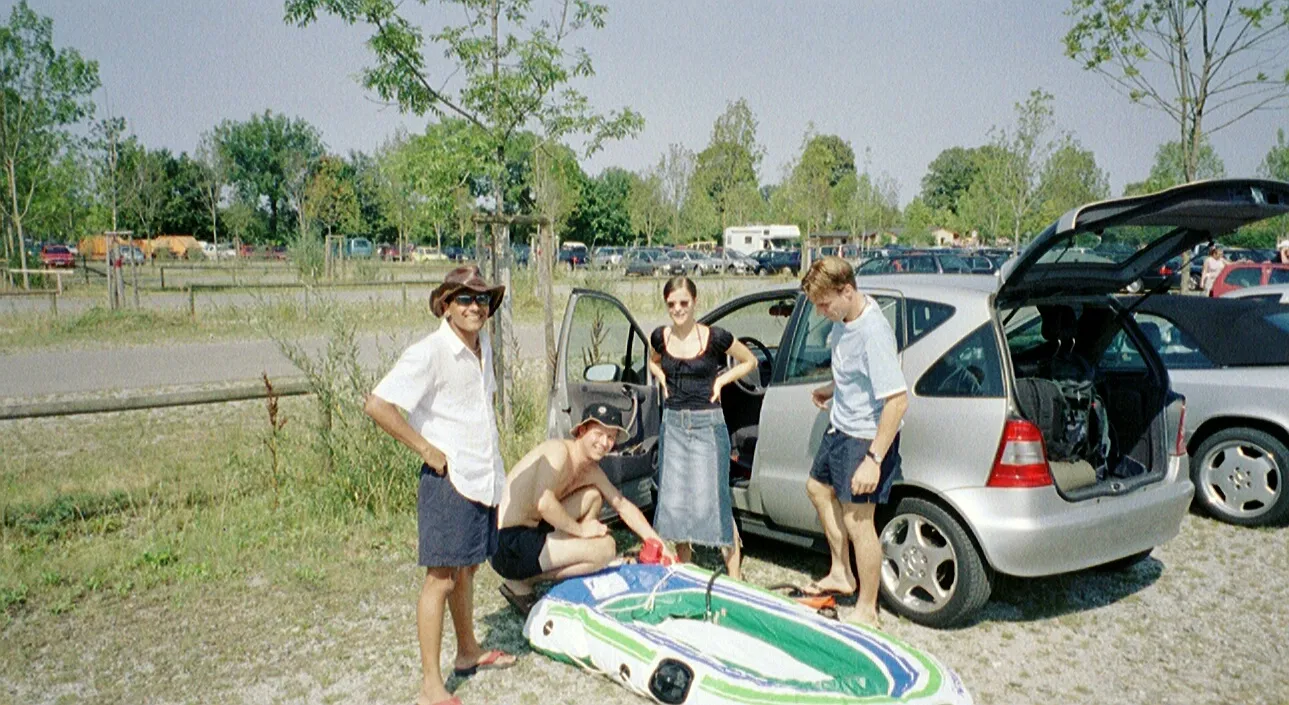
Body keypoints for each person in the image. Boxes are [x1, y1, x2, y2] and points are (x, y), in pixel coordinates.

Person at [363, 265, 516, 705]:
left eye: (482, 299)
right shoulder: (429, 352)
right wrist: (426, 448)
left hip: (480, 475)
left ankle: (468, 651)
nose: (475, 307)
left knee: (466, 568)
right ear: (445, 305)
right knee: (441, 579)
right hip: (449, 479)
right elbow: (377, 404)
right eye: (464, 298)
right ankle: (431, 685)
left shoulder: (482, 346)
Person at [800, 256, 908, 628]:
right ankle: (841, 572)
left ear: (847, 291)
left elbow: (897, 401)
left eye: (824, 304)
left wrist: (873, 460)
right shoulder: (845, 320)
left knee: (859, 522)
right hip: (841, 427)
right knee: (816, 488)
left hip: (864, 438)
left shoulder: (873, 332)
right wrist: (833, 389)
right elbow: (859, 373)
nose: (821, 312)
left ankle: (867, 609)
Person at [491, 404, 674, 616]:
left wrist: (658, 544)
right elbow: (544, 503)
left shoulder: (590, 470)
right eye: (599, 434)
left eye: (611, 437)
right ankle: (521, 581)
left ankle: (575, 565)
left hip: (532, 531)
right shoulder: (558, 452)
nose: (604, 443)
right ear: (582, 431)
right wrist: (582, 531)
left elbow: (622, 505)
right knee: (606, 549)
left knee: (592, 496)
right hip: (506, 543)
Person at [647, 276, 759, 580]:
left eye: (684, 302)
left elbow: (749, 361)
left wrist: (721, 381)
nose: (678, 309)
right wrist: (661, 378)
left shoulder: (715, 337)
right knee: (675, 504)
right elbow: (653, 361)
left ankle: (734, 578)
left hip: (707, 425)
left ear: (694, 302)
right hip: (673, 424)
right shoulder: (660, 337)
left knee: (714, 502)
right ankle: (685, 572)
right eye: (671, 304)